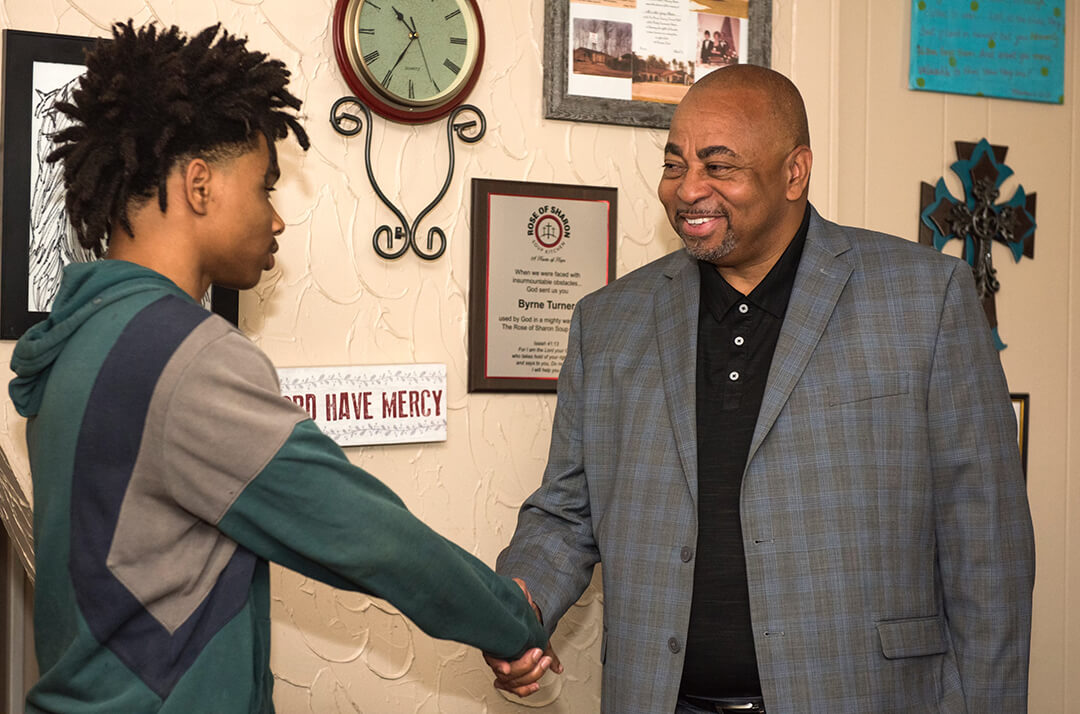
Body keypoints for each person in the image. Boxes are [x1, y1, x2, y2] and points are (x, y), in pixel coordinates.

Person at [9, 20, 547, 713]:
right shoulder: (185, 356)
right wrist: (508, 617)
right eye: (264, 187)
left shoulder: (79, 336)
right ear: (199, 185)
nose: (276, 219)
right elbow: (359, 533)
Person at [485, 64, 1035, 713]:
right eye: (675, 163)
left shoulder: (927, 301)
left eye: (719, 167)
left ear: (794, 172)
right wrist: (519, 604)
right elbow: (566, 514)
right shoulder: (607, 322)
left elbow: (988, 553)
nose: (688, 190)